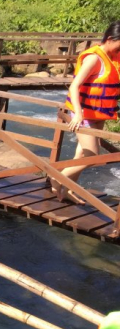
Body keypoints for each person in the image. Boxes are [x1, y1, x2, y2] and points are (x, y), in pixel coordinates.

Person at [60, 21, 120, 204]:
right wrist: (77, 114)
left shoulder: (113, 57)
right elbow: (74, 86)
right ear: (110, 39)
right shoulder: (94, 58)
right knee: (93, 155)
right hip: (83, 114)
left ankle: (67, 191)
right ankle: (55, 176)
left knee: (81, 156)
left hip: (99, 114)